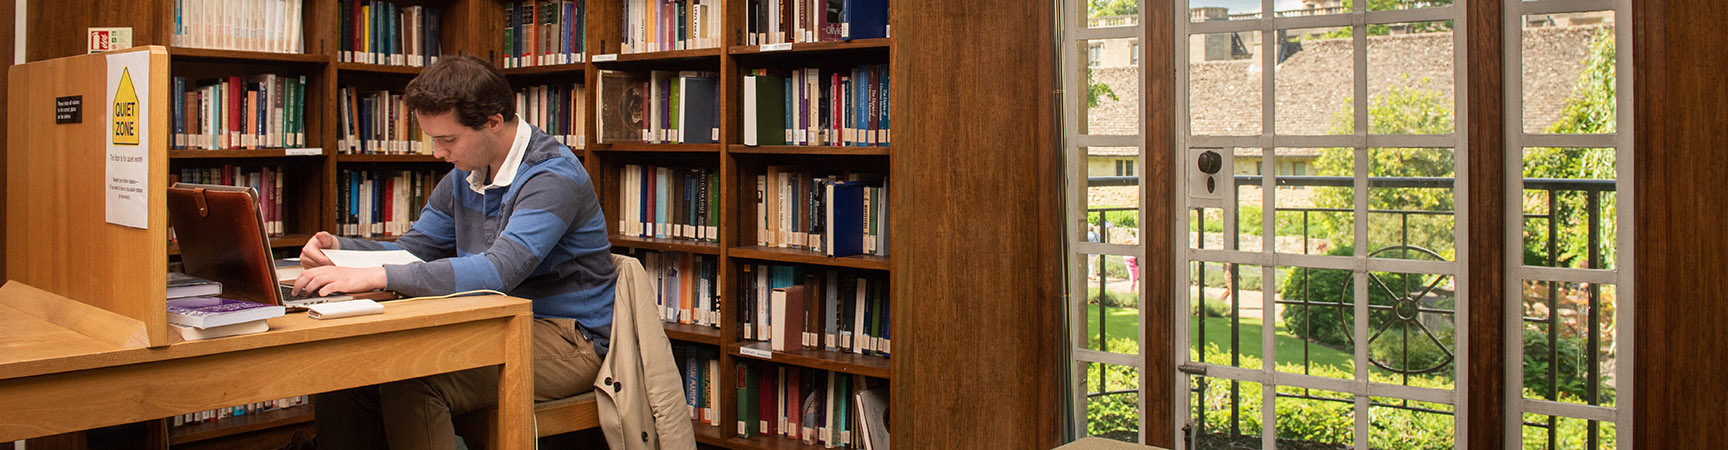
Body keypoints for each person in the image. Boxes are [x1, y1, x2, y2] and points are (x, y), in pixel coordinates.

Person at [293, 55, 616, 450]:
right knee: (351, 372)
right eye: (433, 140)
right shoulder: (468, 173)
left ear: (493, 122)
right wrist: (340, 251)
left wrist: (377, 276)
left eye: (448, 140)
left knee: (414, 379)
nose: (438, 153)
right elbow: (414, 250)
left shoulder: (552, 177)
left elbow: (498, 272)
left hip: (568, 340)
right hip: (492, 323)